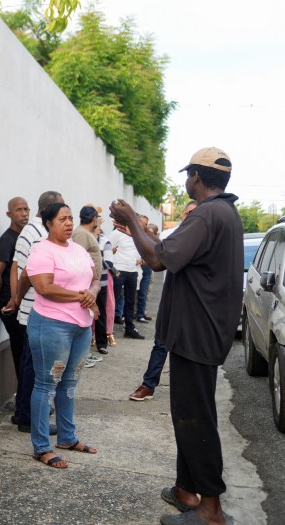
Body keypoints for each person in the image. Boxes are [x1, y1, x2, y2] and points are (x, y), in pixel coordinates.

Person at [110, 147, 242, 525]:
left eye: (188, 176)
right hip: (200, 332)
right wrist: (136, 229)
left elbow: (156, 259)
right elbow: (163, 251)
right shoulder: (224, 212)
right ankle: (186, 490)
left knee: (196, 418)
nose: (186, 182)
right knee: (186, 413)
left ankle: (211, 509)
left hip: (197, 333)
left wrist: (132, 218)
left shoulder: (205, 214)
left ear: (197, 178)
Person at [25, 202, 100, 469]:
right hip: (52, 325)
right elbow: (44, 287)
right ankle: (41, 446)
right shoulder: (42, 251)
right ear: (48, 223)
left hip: (81, 325)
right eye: (62, 219)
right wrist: (83, 297)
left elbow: (94, 277)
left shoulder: (78, 249)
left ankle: (67, 437)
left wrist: (92, 294)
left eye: (70, 218)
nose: (68, 223)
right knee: (47, 385)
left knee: (69, 383)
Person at [129, 201, 198, 402]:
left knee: (190, 346)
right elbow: (157, 251)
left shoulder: (202, 235)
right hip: (173, 296)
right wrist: (137, 231)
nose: (189, 217)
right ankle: (148, 385)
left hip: (194, 300)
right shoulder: (172, 235)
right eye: (187, 213)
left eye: (195, 213)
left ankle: (190, 390)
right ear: (182, 215)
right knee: (161, 343)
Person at [8, 191, 64, 433]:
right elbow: (24, 273)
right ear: (49, 212)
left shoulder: (32, 231)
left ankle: (23, 412)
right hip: (36, 310)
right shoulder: (38, 234)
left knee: (29, 365)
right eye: (62, 215)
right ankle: (28, 418)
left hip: (31, 308)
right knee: (34, 367)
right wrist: (18, 299)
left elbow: (19, 270)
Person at [0, 197, 30, 378]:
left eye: (26, 209)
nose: (24, 214)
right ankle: (23, 399)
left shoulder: (23, 238)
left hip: (20, 301)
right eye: (19, 210)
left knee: (24, 349)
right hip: (10, 304)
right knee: (21, 350)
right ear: (9, 214)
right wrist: (3, 299)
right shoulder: (7, 240)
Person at [72, 206, 106, 356]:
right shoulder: (81, 234)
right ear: (94, 219)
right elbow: (78, 259)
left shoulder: (86, 233)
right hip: (86, 286)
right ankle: (83, 352)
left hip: (93, 285)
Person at [109, 222, 146, 339]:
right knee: (112, 301)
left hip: (132, 270)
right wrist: (113, 269)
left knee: (130, 301)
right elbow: (108, 250)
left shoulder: (135, 234)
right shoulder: (116, 233)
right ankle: (106, 330)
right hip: (119, 270)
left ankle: (129, 328)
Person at [136, 215, 154, 323]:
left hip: (146, 267)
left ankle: (140, 314)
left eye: (146, 223)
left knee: (143, 293)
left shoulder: (148, 235)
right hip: (134, 266)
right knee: (132, 294)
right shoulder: (131, 234)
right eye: (143, 222)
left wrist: (143, 261)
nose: (144, 225)